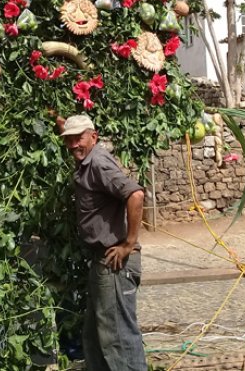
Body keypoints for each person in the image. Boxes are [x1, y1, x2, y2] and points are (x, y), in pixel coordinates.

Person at [59, 114, 147, 371]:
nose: (74, 144)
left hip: (115, 262)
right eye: (69, 140)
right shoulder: (87, 159)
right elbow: (70, 133)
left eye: (79, 138)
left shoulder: (97, 163)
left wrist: (129, 243)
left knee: (118, 337)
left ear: (94, 136)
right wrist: (54, 114)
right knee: (96, 336)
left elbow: (135, 194)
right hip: (102, 260)